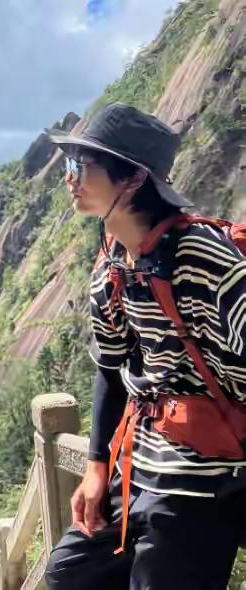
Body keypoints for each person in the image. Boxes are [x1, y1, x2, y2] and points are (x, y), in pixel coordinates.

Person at [43, 103, 246, 589]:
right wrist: (96, 469)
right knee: (68, 574)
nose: (70, 177)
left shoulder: (205, 261)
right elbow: (110, 369)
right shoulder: (113, 265)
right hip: (139, 465)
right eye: (69, 164)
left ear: (133, 178)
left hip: (204, 479)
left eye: (82, 165)